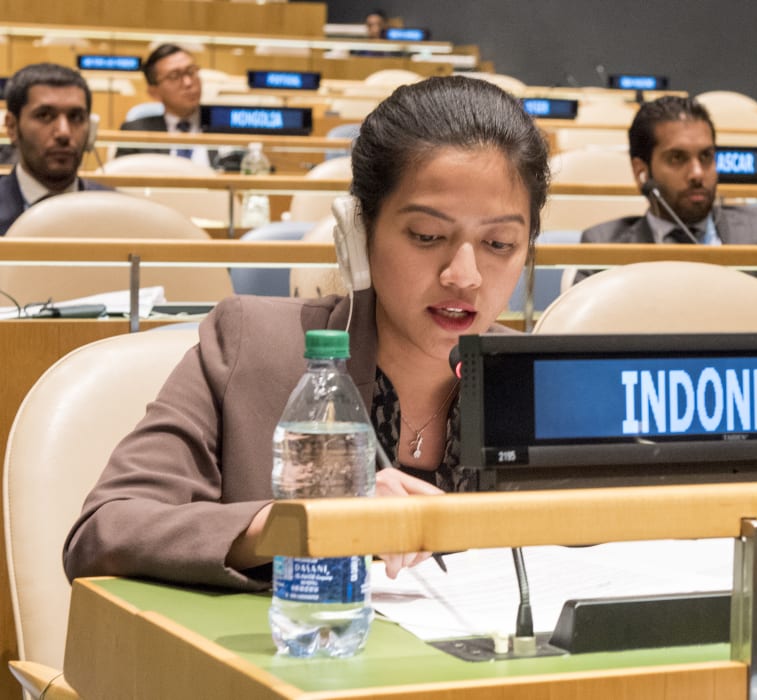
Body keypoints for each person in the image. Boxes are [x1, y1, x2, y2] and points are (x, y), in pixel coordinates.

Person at [63, 76, 550, 590]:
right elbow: (103, 532)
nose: (464, 275)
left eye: (499, 243)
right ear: (358, 234)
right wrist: (293, 526)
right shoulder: (250, 343)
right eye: (427, 236)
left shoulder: (545, 385)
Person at [576, 96, 757, 311]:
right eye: (677, 158)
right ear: (641, 171)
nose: (698, 173)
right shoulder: (604, 246)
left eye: (706, 156)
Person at [0, 63, 108, 236]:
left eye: (76, 117)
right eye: (44, 116)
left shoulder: (121, 213)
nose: (64, 132)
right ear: (12, 127)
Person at [114, 44, 241, 171]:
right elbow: (122, 181)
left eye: (191, 71)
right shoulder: (136, 132)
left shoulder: (227, 123)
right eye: (174, 76)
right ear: (154, 91)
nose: (188, 83)